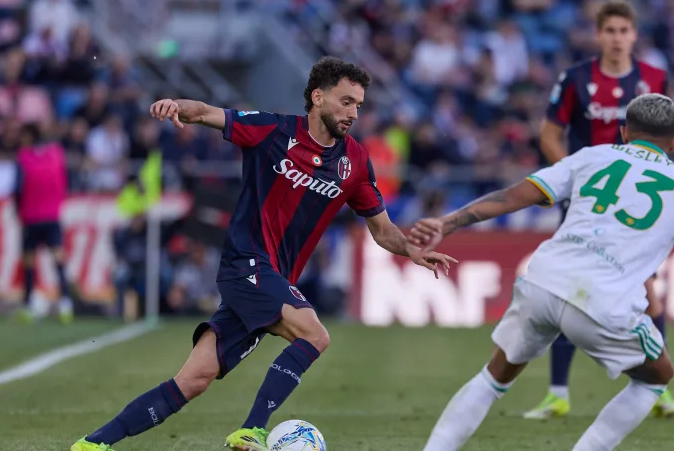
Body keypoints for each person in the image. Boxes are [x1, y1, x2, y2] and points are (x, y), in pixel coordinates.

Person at [70, 57, 457, 451]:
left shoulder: (354, 161)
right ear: (318, 97)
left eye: (358, 104)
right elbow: (205, 113)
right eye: (346, 102)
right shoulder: (271, 130)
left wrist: (411, 249)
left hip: (273, 279)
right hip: (246, 264)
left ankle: (92, 444)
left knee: (192, 381)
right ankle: (252, 430)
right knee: (315, 334)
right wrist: (175, 105)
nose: (353, 112)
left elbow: (382, 229)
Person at [413, 94, 674, 451]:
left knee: (495, 376)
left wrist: (448, 223)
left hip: (544, 281)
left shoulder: (591, 156)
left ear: (623, 132)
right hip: (603, 301)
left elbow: (515, 196)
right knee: (658, 375)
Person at [532, 0, 674, 419]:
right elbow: (549, 133)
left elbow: (666, 134)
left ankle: (659, 388)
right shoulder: (576, 78)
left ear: (634, 35)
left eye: (624, 31)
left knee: (647, 290)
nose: (617, 38)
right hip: (588, 200)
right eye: (610, 31)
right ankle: (558, 392)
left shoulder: (654, 78)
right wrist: (572, 176)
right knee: (567, 290)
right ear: (598, 35)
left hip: (636, 203)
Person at [14, 123, 74, 324]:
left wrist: (18, 212)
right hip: (51, 216)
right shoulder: (56, 155)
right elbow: (65, 182)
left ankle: (29, 306)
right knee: (58, 259)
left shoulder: (23, 158)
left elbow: (18, 188)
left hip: (31, 217)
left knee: (29, 263)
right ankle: (66, 304)